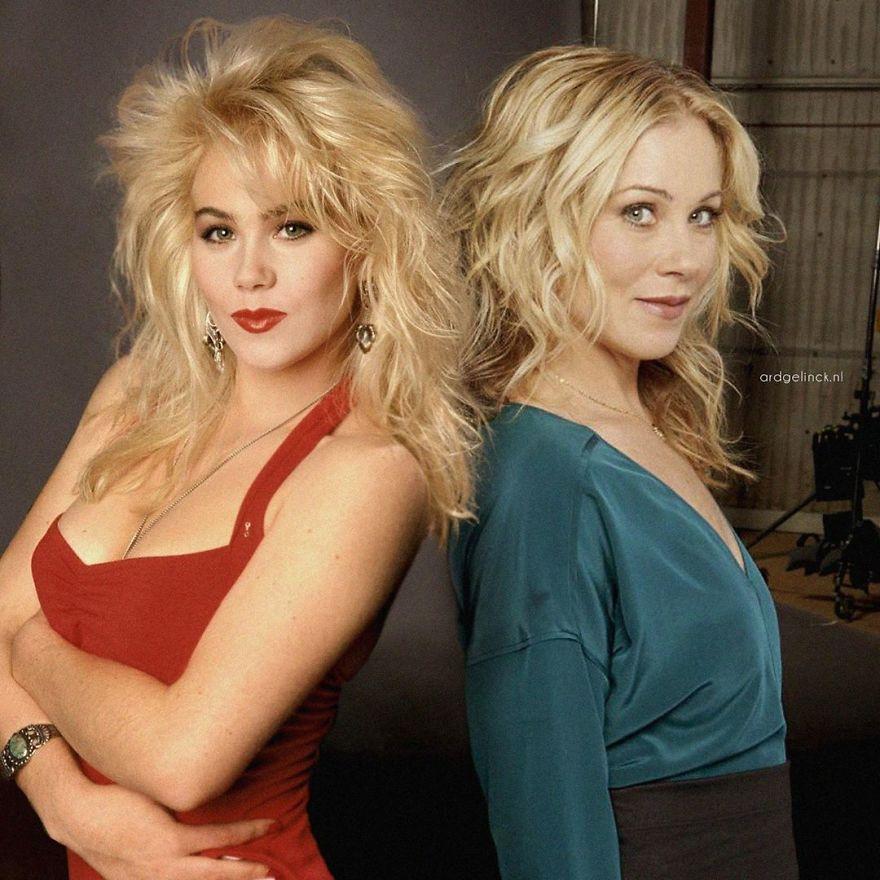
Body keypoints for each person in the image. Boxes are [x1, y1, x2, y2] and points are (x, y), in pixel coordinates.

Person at [1, 16, 477, 880]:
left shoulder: (370, 468)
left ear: (367, 243)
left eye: (293, 227)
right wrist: (64, 800)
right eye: (219, 230)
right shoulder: (135, 394)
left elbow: (182, 758)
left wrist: (32, 651)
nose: (249, 272)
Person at [444, 46, 798, 880]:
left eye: (703, 215)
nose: (687, 259)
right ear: (538, 221)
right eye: (639, 212)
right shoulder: (545, 477)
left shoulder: (641, 423)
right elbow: (547, 824)